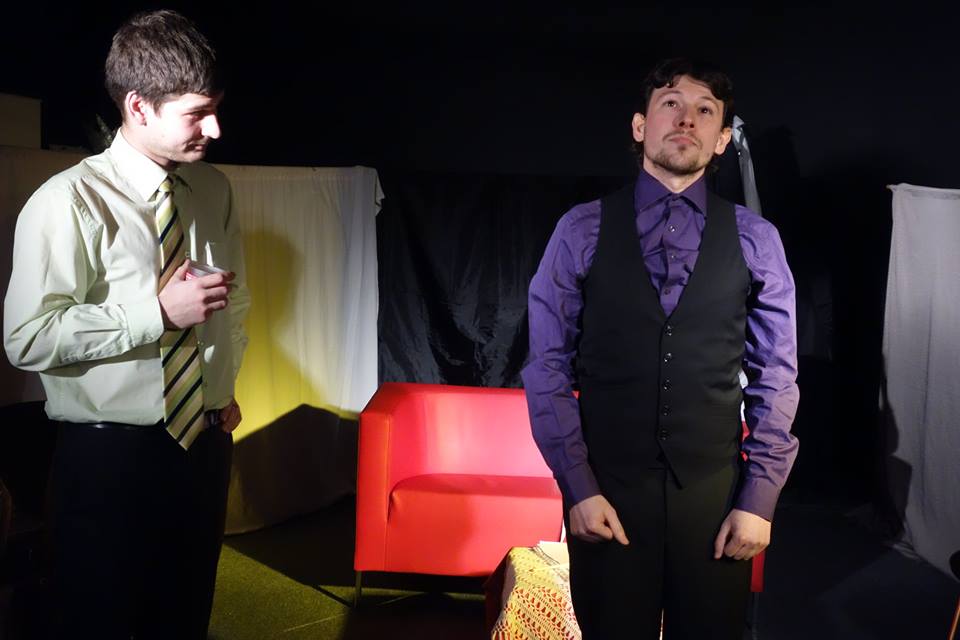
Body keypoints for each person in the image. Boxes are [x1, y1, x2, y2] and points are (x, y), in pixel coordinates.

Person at [522, 57, 799, 639]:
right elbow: (546, 366)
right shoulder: (580, 229)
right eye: (671, 103)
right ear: (639, 125)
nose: (686, 119)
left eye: (705, 110)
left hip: (715, 501)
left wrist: (759, 499)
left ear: (721, 139)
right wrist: (578, 487)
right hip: (607, 497)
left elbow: (776, 375)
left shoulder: (757, 238)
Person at [3, 10, 249, 639]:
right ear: (138, 106)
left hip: (204, 448)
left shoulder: (214, 190)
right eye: (198, 114)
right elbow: (27, 337)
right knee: (100, 622)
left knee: (185, 619)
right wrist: (156, 314)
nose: (215, 129)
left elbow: (235, 303)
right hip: (108, 461)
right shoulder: (66, 201)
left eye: (216, 110)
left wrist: (220, 388)